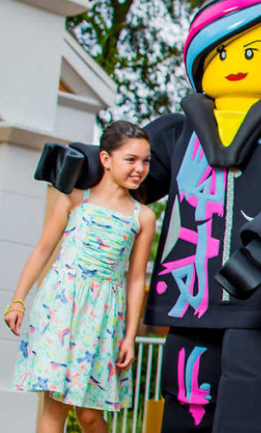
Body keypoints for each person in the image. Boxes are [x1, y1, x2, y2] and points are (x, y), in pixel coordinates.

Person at [32, 0, 261, 432]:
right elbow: (136, 170)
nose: (232, 65)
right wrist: (82, 163)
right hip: (192, 310)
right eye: (221, 54)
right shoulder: (179, 132)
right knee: (187, 416)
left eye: (249, 52)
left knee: (259, 412)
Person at [6, 121, 156, 433]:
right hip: (60, 307)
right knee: (54, 406)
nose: (139, 168)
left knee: (89, 415)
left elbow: (135, 279)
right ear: (106, 159)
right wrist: (18, 301)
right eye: (131, 160)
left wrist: (129, 335)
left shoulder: (142, 216)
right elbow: (42, 251)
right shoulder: (75, 199)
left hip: (102, 317)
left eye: (146, 161)